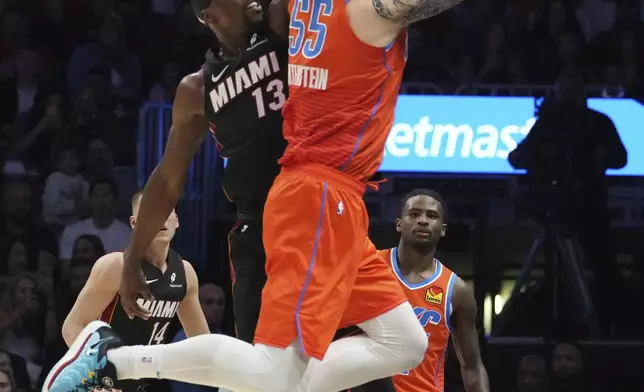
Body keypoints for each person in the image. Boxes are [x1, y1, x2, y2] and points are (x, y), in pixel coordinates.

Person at [43, 0, 467, 389]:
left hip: (328, 207)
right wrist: (133, 256)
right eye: (209, 13)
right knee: (269, 370)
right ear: (203, 19)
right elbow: (166, 180)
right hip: (285, 214)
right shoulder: (201, 86)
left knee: (406, 342)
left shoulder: (286, 21)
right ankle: (112, 360)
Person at [59, 191, 209, 392]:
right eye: (150, 212)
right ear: (133, 223)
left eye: (166, 212)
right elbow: (72, 326)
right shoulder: (115, 266)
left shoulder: (186, 273)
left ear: (177, 220)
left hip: (144, 382)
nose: (159, 218)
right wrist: (97, 378)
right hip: (102, 380)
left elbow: (202, 344)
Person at [382, 189, 489, 392]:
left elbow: (472, 366)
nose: (423, 221)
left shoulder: (456, 291)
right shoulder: (369, 268)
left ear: (442, 229)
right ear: (399, 224)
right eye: (414, 214)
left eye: (431, 216)